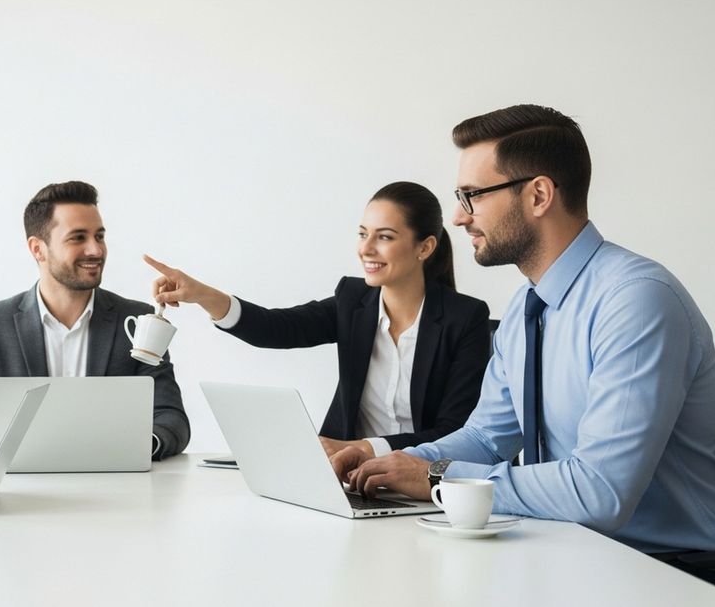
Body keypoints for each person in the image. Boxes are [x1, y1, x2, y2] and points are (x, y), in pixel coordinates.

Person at [336, 104, 715, 553]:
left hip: (680, 570)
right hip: (576, 552)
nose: (458, 217)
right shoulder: (526, 308)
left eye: (471, 196)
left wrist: (437, 478)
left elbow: (599, 492)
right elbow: (486, 438)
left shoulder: (636, 301)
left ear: (538, 196)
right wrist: (390, 462)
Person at [146, 181, 491, 459]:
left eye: (384, 236)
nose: (366, 248)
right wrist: (202, 294)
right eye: (362, 233)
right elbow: (275, 328)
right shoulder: (353, 302)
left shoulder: (465, 319)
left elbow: (456, 431)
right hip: (344, 475)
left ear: (425, 247)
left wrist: (365, 447)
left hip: (420, 477)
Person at [0, 181, 190, 462]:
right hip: (23, 493)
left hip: (119, 490)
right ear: (38, 249)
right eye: (78, 238)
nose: (96, 250)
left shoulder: (136, 320)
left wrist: (138, 446)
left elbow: (172, 418)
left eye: (99, 236)